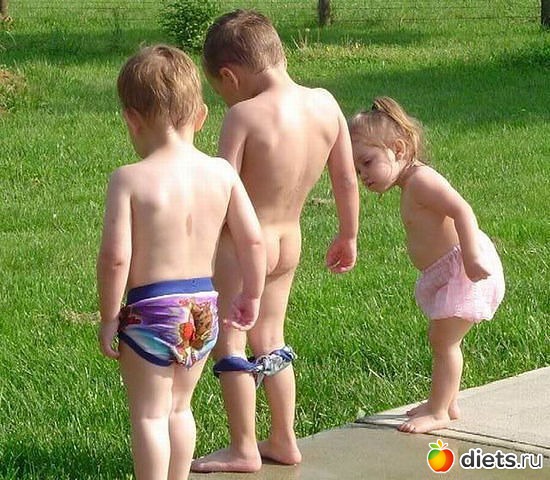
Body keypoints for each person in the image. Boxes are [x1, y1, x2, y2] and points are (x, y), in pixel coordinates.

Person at [191, 10, 360, 474]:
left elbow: (223, 190)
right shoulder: (325, 104)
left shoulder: (242, 116)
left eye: (221, 89)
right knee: (271, 338)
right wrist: (348, 233)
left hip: (244, 248)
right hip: (289, 239)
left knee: (231, 343)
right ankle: (284, 438)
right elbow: (346, 178)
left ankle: (243, 447)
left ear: (229, 76)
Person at [96, 44, 266, 480]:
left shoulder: (129, 179)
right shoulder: (222, 173)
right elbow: (252, 240)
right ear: (202, 116)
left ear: (132, 120)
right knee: (180, 408)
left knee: (149, 414)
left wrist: (109, 317)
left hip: (150, 310)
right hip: (202, 309)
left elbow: (115, 259)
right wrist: (251, 294)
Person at [349, 96, 505, 434]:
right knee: (442, 338)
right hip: (451, 270)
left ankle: (439, 410)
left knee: (443, 340)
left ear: (398, 149)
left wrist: (471, 256)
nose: (363, 175)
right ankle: (446, 401)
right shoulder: (410, 184)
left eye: (368, 162)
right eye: (358, 169)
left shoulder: (422, 181)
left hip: (463, 269)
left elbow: (462, 210)